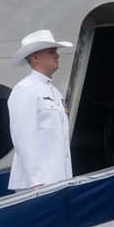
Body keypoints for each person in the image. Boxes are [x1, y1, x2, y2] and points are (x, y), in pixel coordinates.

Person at [7, 29, 74, 191]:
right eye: (51, 52)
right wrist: (35, 182)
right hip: (37, 184)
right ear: (35, 57)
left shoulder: (55, 93)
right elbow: (24, 139)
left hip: (57, 180)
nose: (57, 56)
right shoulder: (25, 89)